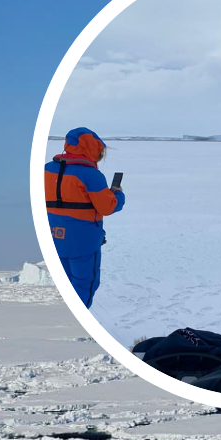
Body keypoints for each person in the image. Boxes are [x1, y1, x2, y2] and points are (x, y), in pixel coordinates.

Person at [44, 127, 125, 308]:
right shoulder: (91, 175)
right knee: (84, 284)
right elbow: (107, 206)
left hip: (54, 237)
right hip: (83, 243)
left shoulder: (46, 170)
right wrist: (118, 195)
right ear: (92, 149)